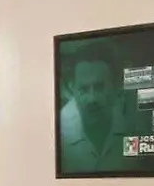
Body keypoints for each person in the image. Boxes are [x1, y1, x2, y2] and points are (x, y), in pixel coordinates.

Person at [58, 40, 135, 174]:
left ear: (115, 86)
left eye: (99, 87)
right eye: (83, 89)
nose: (92, 98)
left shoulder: (133, 126)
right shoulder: (59, 133)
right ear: (72, 89)